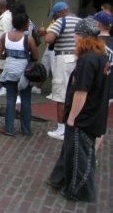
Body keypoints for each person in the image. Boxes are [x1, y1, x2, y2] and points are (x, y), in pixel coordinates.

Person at [46, 18, 109, 202]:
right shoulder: (101, 56)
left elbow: (81, 92)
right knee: (72, 150)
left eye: (75, 34)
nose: (73, 37)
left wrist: (72, 117)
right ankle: (58, 178)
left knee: (80, 156)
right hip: (95, 113)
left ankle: (79, 191)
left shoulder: (87, 60)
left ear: (81, 36)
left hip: (84, 116)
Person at [0, 13, 39, 136]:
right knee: (25, 100)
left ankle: (9, 128)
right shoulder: (28, 39)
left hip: (9, 71)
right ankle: (26, 130)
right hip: (24, 73)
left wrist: (8, 56)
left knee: (10, 99)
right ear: (25, 25)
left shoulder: (5, 36)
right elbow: (36, 57)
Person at [44, 2, 81, 140]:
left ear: (59, 12)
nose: (54, 17)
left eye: (54, 15)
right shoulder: (80, 20)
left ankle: (61, 129)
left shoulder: (60, 21)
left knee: (61, 95)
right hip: (79, 58)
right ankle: (74, 126)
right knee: (76, 93)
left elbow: (49, 39)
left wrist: (46, 33)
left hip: (64, 59)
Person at [92, 11, 113, 163]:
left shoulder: (92, 41)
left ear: (98, 24)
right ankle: (93, 154)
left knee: (87, 119)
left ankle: (87, 155)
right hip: (109, 87)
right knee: (101, 120)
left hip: (93, 87)